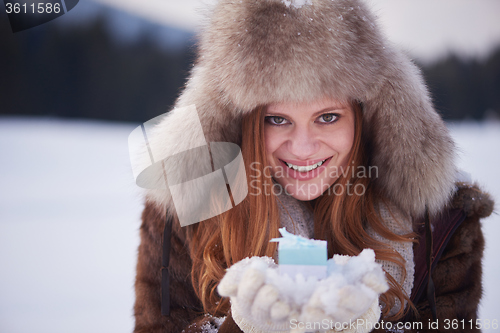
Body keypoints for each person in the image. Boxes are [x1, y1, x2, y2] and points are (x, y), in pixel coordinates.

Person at [132, 0, 494, 332]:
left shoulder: (439, 224)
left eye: (328, 117)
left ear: (366, 118)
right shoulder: (187, 221)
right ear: (242, 123)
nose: (303, 148)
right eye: (277, 119)